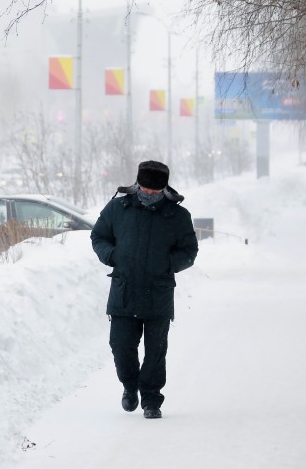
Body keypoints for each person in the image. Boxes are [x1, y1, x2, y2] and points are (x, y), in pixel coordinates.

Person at [90, 160, 198, 419]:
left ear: (164, 189)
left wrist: (167, 264)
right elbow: (98, 237)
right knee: (121, 346)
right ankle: (129, 386)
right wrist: (113, 255)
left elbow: (189, 251)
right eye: (145, 190)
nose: (149, 196)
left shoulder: (177, 215)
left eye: (155, 192)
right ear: (137, 184)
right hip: (124, 291)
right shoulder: (118, 208)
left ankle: (151, 400)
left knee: (155, 351)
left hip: (158, 293)